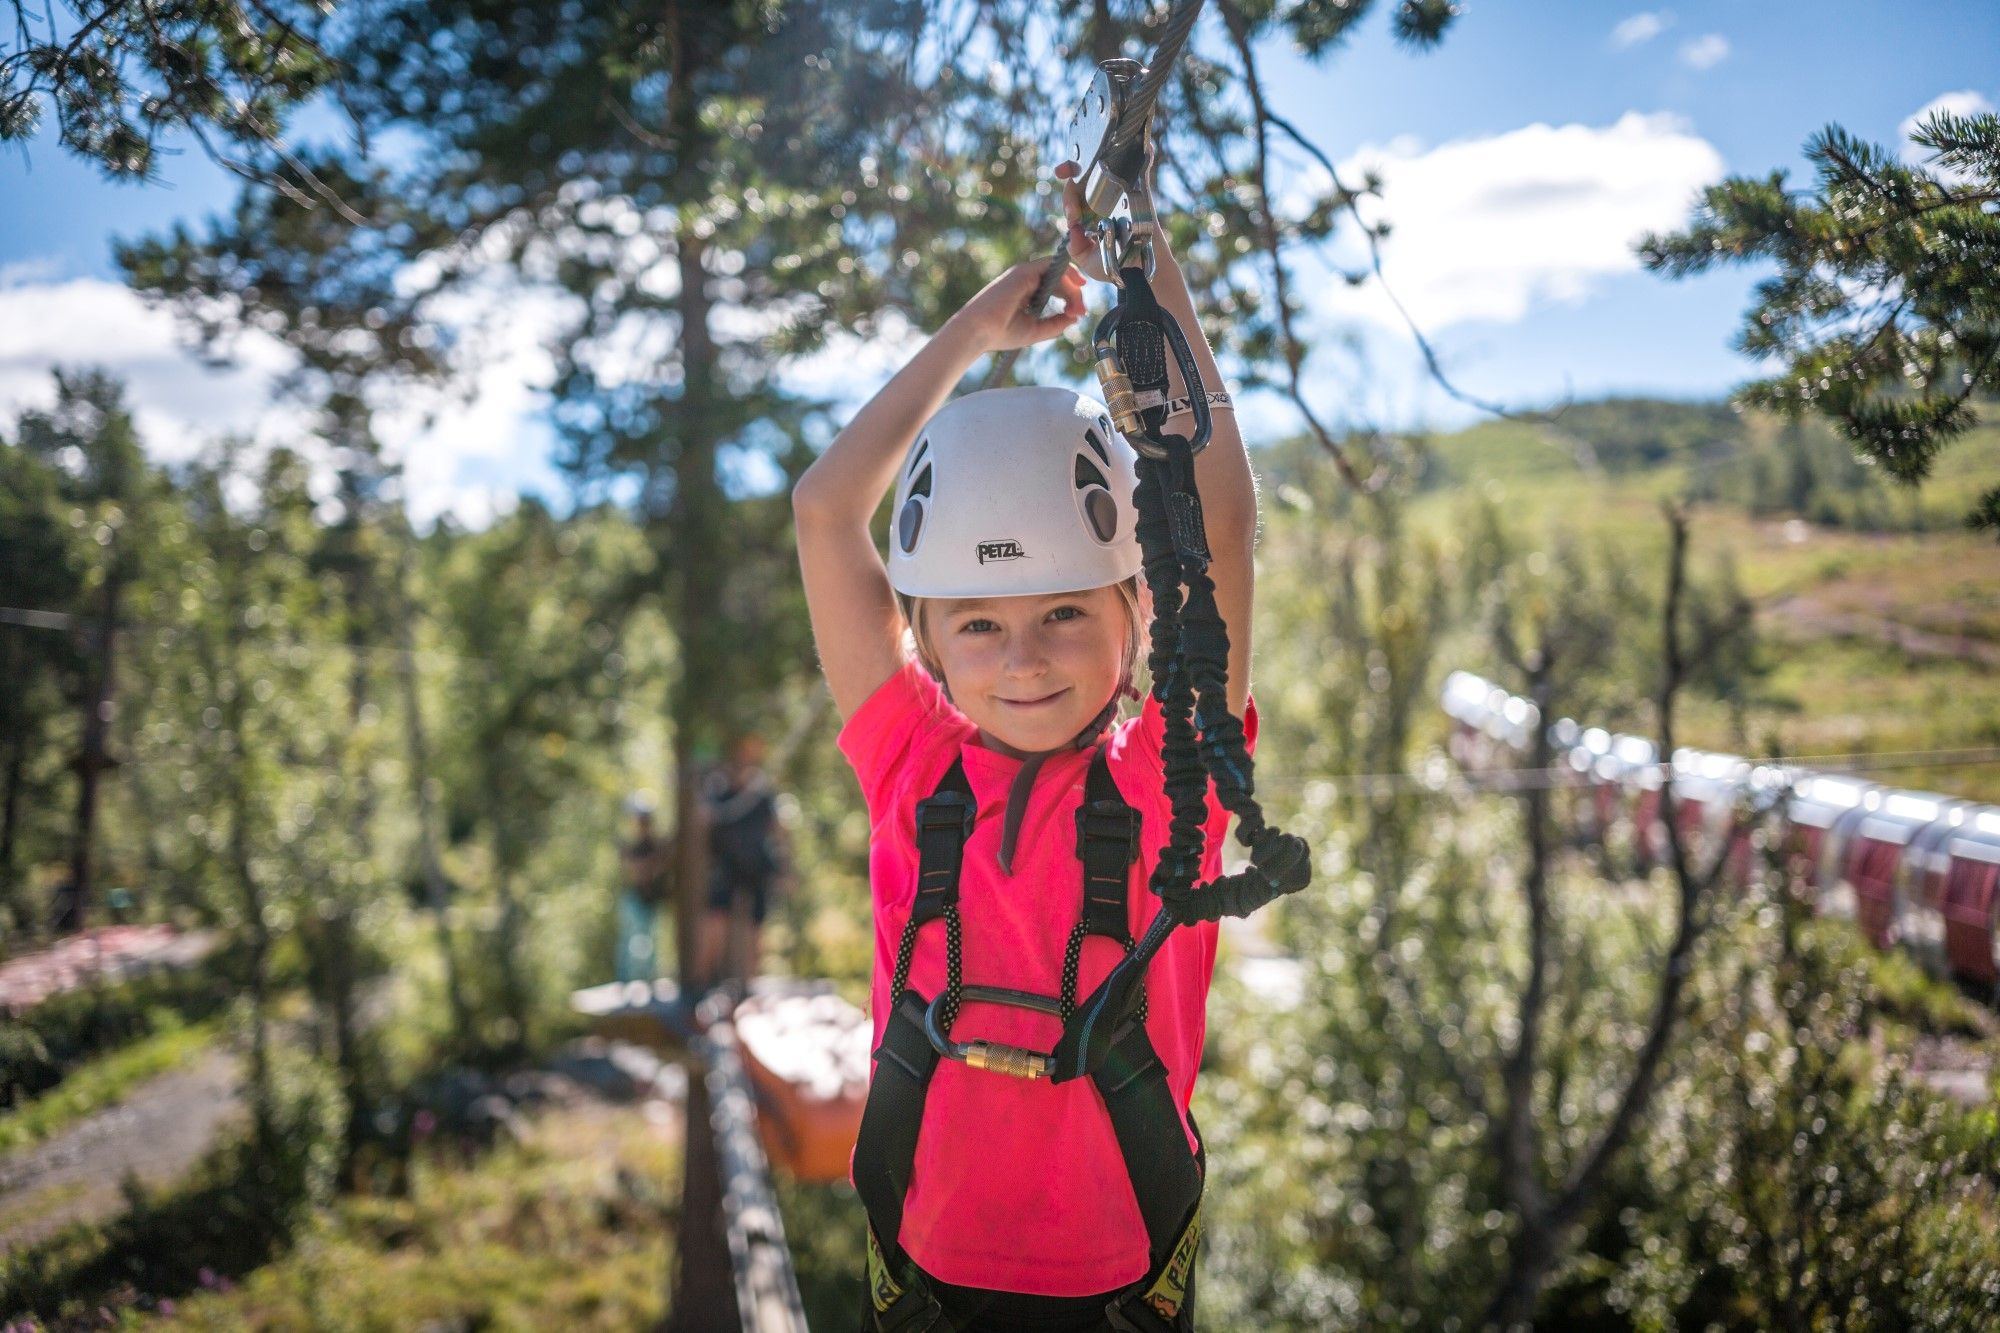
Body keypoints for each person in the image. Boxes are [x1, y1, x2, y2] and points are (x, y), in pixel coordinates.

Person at [790, 156, 1257, 1331]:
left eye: (1063, 612)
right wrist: (979, 326)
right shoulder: (909, 759)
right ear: (926, 641)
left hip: (1113, 1291)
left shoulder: (1171, 779)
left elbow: (1220, 522)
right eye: (980, 627)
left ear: (1132, 614)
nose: (1024, 659)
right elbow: (822, 510)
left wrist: (1143, 269)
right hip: (920, 1274)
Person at [695, 733, 789, 988]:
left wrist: (784, 867)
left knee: (756, 925)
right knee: (716, 920)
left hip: (756, 864)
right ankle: (704, 983)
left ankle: (751, 985)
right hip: (726, 864)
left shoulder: (762, 793)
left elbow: (777, 829)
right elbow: (706, 822)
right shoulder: (718, 792)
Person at [615, 792, 668, 986]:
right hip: (634, 898)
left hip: (650, 899)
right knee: (630, 942)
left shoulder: (655, 845)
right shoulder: (632, 844)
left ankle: (645, 980)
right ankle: (627, 982)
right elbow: (633, 871)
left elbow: (650, 870)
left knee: (647, 942)